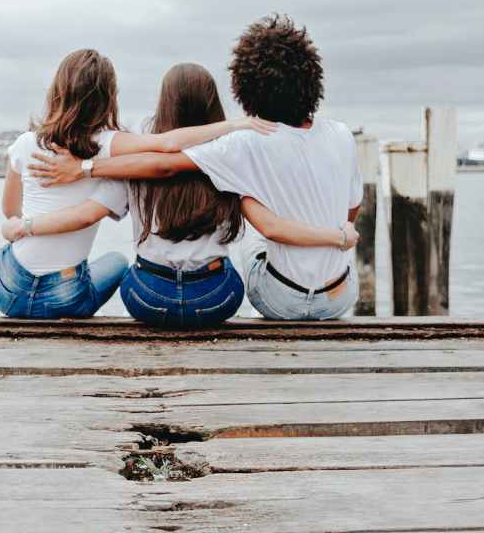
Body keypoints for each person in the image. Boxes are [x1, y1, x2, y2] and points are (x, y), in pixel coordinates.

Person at [27, 16, 363, 321]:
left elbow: (162, 165)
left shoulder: (238, 148)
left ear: (247, 88)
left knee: (250, 239)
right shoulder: (341, 135)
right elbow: (350, 212)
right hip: (278, 299)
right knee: (253, 234)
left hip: (153, 300)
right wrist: (337, 235)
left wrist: (85, 168)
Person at [0, 49, 277, 318]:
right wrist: (235, 124)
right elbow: (168, 145)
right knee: (116, 261)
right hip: (209, 299)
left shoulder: (25, 143)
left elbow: (10, 209)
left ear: (57, 90)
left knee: (111, 262)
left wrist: (22, 226)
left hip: (9, 286)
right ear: (109, 97)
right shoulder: (113, 146)